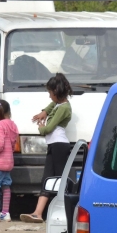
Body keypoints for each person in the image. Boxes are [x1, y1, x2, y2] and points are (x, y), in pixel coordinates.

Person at [22, 73, 73, 223]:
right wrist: (44, 112)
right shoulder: (59, 104)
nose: (49, 96)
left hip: (59, 145)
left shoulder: (64, 108)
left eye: (50, 93)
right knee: (48, 179)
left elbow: (48, 129)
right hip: (54, 145)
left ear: (56, 93)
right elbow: (51, 106)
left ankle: (65, 212)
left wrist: (41, 128)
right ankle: (37, 213)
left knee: (60, 181)